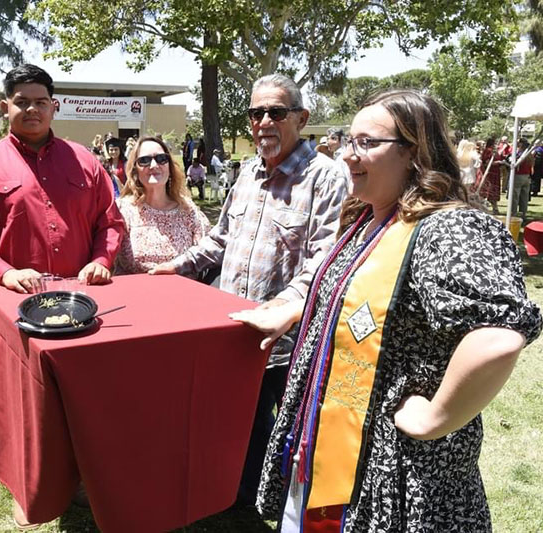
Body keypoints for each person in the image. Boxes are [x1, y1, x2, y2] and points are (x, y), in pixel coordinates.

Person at [231, 89, 541, 531]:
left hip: (394, 477)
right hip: (335, 455)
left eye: (366, 143)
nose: (347, 155)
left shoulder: (449, 227)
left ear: (415, 152)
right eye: (346, 140)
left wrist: (436, 416)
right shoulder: (371, 218)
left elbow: (497, 334)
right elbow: (368, 296)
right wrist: (302, 308)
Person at [150, 73, 348, 506]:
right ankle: (246, 494)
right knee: (244, 419)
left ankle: (292, 501)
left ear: (302, 117)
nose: (264, 122)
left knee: (293, 426)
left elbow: (325, 261)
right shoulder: (246, 173)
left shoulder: (327, 178)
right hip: (235, 332)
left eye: (276, 112)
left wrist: (280, 308)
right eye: (256, 113)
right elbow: (219, 239)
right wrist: (177, 266)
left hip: (288, 340)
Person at [0, 63, 125, 298]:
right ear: (5, 107)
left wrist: (101, 260)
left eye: (41, 102)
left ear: (54, 107)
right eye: (22, 102)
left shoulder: (86, 161)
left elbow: (110, 221)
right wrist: (5, 273)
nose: (32, 109)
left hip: (83, 294)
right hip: (15, 296)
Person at [114, 136, 210, 274]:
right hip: (135, 292)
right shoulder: (122, 210)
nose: (154, 165)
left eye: (161, 159)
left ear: (170, 167)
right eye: (144, 160)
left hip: (184, 292)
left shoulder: (188, 209)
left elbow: (206, 253)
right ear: (135, 170)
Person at [511, 137, 532, 222]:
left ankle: (514, 213)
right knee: (524, 197)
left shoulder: (520, 154)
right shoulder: (529, 154)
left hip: (519, 175)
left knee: (515, 195)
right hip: (527, 176)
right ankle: (523, 214)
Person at [480, 137, 502, 214]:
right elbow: (486, 163)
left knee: (494, 191)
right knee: (489, 190)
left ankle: (495, 208)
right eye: (495, 143)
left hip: (496, 173)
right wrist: (498, 162)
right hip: (490, 174)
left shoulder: (495, 151)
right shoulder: (488, 151)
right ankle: (484, 207)